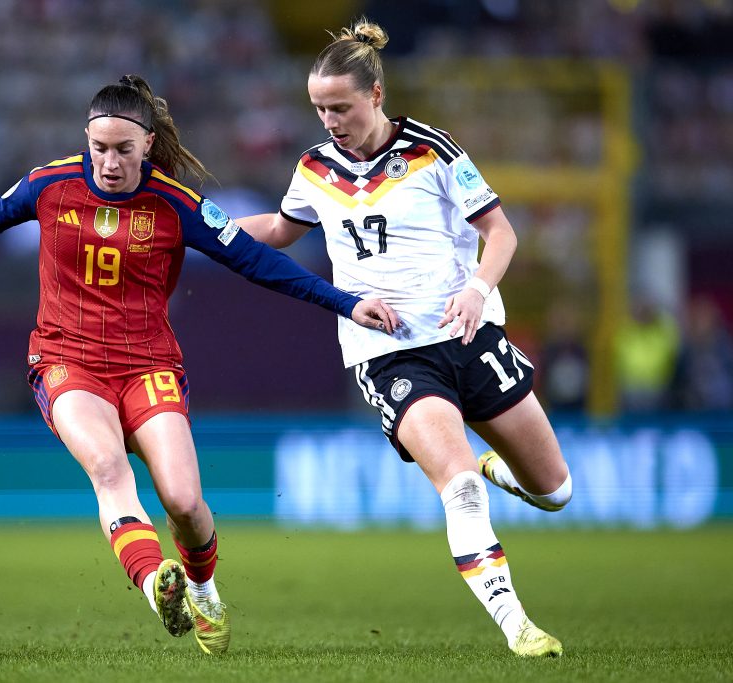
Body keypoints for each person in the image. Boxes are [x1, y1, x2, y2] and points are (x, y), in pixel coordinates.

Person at [0, 74, 395, 656]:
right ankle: (156, 585)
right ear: (86, 140)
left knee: (184, 503)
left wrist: (347, 303)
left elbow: (257, 262)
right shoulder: (49, 184)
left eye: (123, 149)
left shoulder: (178, 205)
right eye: (99, 148)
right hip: (65, 361)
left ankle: (203, 590)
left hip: (149, 366)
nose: (109, 163)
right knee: (107, 468)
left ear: (147, 144)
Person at [237, 20, 572, 657]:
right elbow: (281, 231)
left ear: (376, 95)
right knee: (461, 488)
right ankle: (517, 627)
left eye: (341, 107)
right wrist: (200, 226)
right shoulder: (313, 167)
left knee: (556, 491)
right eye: (320, 109)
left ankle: (492, 463)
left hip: (468, 334)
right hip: (388, 353)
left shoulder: (433, 151)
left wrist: (476, 289)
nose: (330, 121)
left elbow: (501, 233)